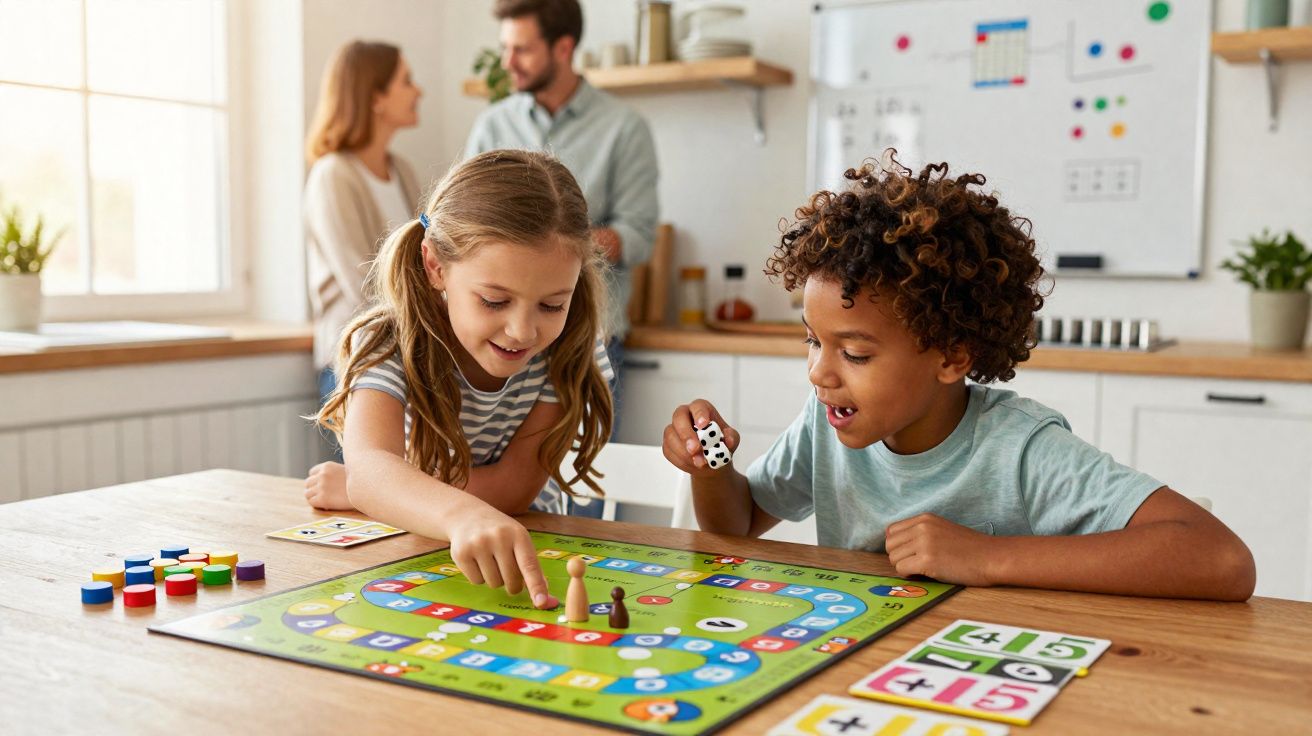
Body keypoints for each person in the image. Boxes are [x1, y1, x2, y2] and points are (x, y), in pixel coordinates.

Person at [662, 154, 1256, 602]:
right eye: (814, 342)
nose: (819, 372)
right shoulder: (825, 428)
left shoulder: (1020, 448)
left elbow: (1222, 560)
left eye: (856, 355)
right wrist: (709, 465)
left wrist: (987, 557)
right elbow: (734, 524)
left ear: (951, 357)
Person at [311, 150, 614, 609]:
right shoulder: (386, 343)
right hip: (409, 563)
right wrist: (379, 490)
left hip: (529, 566)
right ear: (436, 267)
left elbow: (514, 488)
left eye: (552, 305)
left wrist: (387, 491)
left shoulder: (568, 350)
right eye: (494, 301)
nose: (523, 331)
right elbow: (373, 470)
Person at [465, 0, 659, 457]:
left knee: (580, 494)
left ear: (564, 47)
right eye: (505, 49)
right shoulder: (493, 124)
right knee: (494, 483)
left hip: (589, 340)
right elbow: (467, 220)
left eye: (522, 50)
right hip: (498, 343)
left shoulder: (624, 127)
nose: (508, 62)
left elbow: (639, 234)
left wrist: (549, 243)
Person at [304, 40, 423, 409]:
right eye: (406, 81)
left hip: (406, 356)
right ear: (376, 98)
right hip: (357, 360)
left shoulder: (402, 170)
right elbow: (364, 284)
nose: (418, 91)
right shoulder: (333, 175)